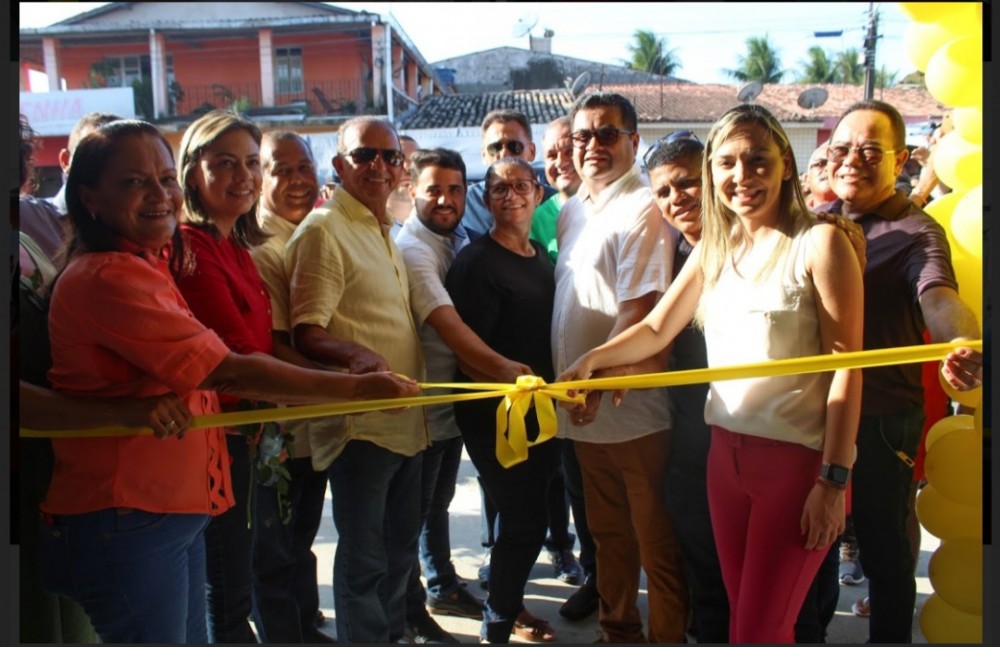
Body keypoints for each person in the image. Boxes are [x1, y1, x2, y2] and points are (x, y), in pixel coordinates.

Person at [37, 118, 418, 644]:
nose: (158, 195)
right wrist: (355, 391)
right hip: (129, 512)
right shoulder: (114, 274)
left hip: (175, 502)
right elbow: (229, 365)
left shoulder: (153, 262)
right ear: (89, 196)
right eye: (133, 182)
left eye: (163, 179)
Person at [560, 103, 866, 643]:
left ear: (786, 165)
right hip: (724, 461)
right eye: (726, 163)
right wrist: (591, 362)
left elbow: (847, 370)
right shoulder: (713, 249)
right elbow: (656, 328)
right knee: (747, 622)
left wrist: (833, 481)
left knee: (758, 632)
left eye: (757, 160)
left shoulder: (819, 243)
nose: (741, 177)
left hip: (797, 468)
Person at [821, 99, 982, 643]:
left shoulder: (916, 232)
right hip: (812, 417)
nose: (852, 161)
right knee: (815, 544)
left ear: (903, 158)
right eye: (842, 149)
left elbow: (938, 297)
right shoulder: (820, 224)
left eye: (870, 150)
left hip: (882, 419)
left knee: (885, 550)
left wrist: (961, 341)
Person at [284, 116, 429, 644]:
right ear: (341, 165)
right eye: (365, 155)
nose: (379, 166)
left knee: (397, 556)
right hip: (360, 426)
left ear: (401, 168)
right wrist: (355, 354)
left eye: (390, 157)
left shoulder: (382, 229)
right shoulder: (325, 229)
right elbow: (307, 332)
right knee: (366, 560)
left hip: (404, 423)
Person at [551, 91, 688, 644]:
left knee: (655, 542)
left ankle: (668, 635)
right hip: (582, 412)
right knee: (606, 536)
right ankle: (618, 631)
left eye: (607, 134)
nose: (592, 146)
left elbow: (639, 307)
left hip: (631, 412)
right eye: (581, 136)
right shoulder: (572, 209)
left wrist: (595, 382)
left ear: (634, 141)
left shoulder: (644, 205)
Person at [445, 156, 559, 644]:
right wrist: (506, 381)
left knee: (532, 519)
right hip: (493, 415)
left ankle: (506, 609)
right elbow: (467, 351)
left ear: (537, 193)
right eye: (498, 189)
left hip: (541, 410)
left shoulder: (543, 256)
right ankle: (497, 625)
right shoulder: (475, 263)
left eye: (520, 186)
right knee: (524, 523)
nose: (510, 195)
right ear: (486, 200)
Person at [173, 110, 275, 643]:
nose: (244, 176)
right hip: (215, 440)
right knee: (225, 584)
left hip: (244, 435)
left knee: (240, 571)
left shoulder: (234, 243)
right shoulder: (191, 247)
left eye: (253, 163)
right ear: (193, 173)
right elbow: (233, 358)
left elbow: (262, 342)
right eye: (226, 163)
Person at [248, 130, 334, 643]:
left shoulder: (311, 230)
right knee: (274, 548)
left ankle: (304, 623)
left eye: (305, 167)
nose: (299, 180)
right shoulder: (261, 247)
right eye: (283, 170)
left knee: (300, 537)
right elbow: (274, 344)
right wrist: (342, 384)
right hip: (276, 428)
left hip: (311, 421)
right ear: (261, 177)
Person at [644, 133, 730, 643]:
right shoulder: (670, 251)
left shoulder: (766, 244)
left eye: (688, 183)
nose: (678, 199)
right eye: (664, 191)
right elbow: (654, 332)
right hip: (691, 438)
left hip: (760, 439)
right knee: (700, 555)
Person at [536, 115, 600, 622]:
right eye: (552, 153)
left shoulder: (625, 205)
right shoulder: (551, 214)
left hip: (617, 383)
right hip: (557, 382)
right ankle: (598, 577)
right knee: (578, 488)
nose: (561, 160)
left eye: (569, 147)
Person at [461, 109, 556, 240]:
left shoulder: (555, 204)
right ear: (484, 155)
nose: (504, 154)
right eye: (495, 148)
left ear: (532, 151)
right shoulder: (465, 203)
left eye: (515, 146)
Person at [388, 134, 420, 239]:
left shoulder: (441, 225)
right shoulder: (363, 229)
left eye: (416, 161)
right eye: (397, 159)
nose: (408, 167)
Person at [804, 142, 837, 210]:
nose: (828, 168)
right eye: (820, 164)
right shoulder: (790, 216)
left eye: (834, 163)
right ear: (807, 179)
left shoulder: (858, 217)